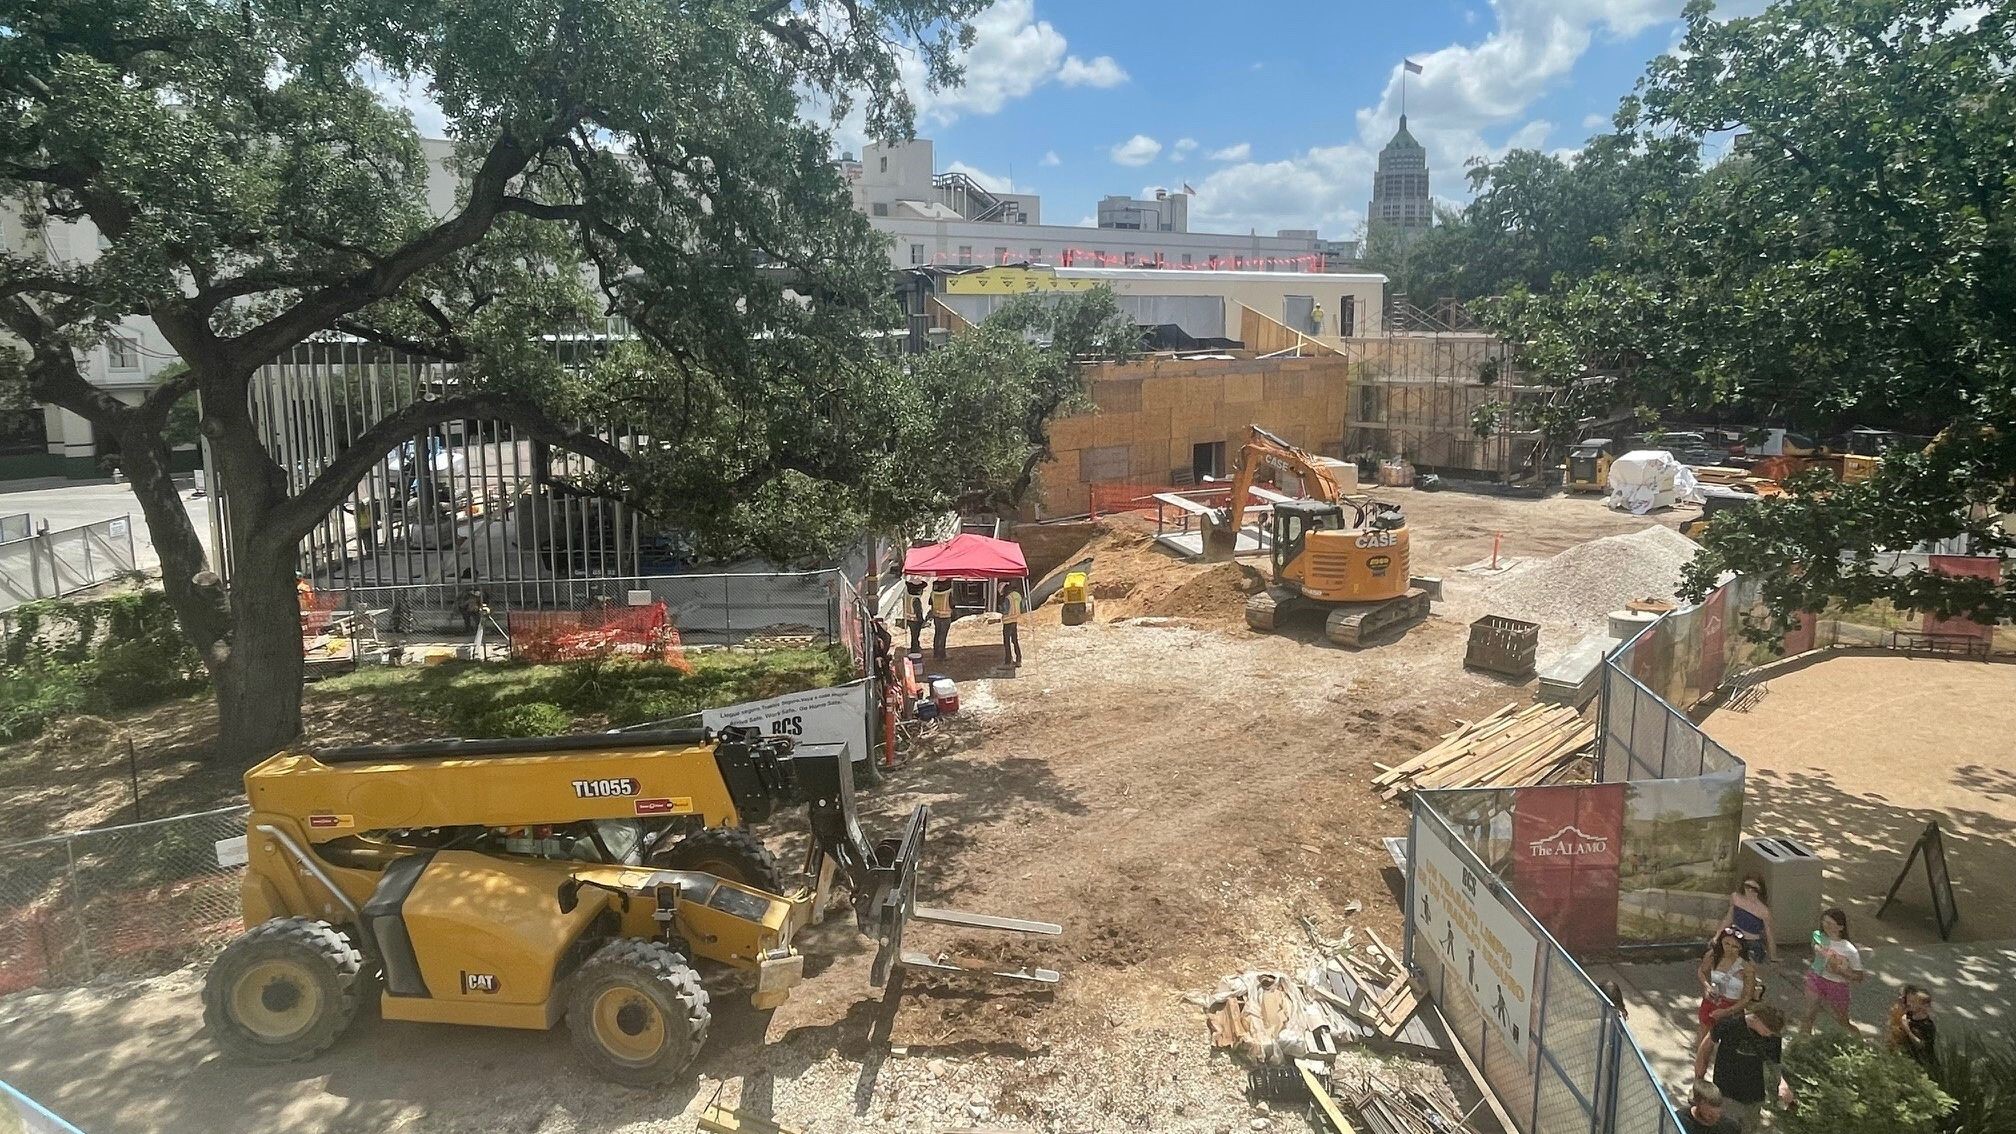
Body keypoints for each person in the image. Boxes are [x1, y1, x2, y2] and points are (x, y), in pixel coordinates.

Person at [1695, 1004, 1795, 1131]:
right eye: (1766, 1031)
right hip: (1727, 1091)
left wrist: (1782, 1083)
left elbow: (1774, 1063)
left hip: (1755, 1096)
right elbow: (1707, 1045)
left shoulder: (1773, 1037)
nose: (1768, 1035)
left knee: (1748, 1129)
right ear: (1756, 1019)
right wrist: (1699, 1076)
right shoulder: (1731, 1024)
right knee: (1725, 1128)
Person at [1800, 908, 1866, 1034]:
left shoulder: (1849, 950)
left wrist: (1841, 971)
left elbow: (1859, 976)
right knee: (1808, 1014)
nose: (1826, 926)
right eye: (1824, 922)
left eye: (1830, 924)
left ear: (1841, 927)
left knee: (1841, 1020)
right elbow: (1815, 945)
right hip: (1816, 978)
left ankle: (1856, 1039)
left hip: (1837, 985)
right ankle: (1802, 1043)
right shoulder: (1818, 936)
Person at [1697, 928, 1761, 1045]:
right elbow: (1701, 971)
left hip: (1733, 1008)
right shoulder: (1713, 956)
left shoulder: (1747, 967)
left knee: (1728, 1043)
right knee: (1703, 1040)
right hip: (1710, 1002)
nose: (1729, 949)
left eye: (1735, 946)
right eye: (1726, 943)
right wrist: (1707, 986)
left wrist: (1726, 1011)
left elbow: (1747, 997)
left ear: (1741, 948)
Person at [1721, 874, 1778, 964]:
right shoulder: (1736, 898)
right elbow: (1729, 918)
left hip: (1752, 943)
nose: (1750, 891)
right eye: (1748, 887)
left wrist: (1773, 956)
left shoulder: (1764, 911)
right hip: (1734, 938)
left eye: (1754, 889)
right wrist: (1717, 936)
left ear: (1760, 891)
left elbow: (1769, 934)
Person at [1887, 985, 1937, 1070]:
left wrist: (1907, 1029)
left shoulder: (1927, 1025)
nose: (1910, 1003)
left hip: (1920, 1062)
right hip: (1905, 1057)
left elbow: (1921, 1045)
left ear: (1924, 1007)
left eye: (1915, 1002)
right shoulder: (1909, 1015)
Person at [1000, 580, 1025, 667]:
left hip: (1007, 622)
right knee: (1015, 641)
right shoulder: (1017, 595)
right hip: (1015, 620)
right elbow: (1022, 607)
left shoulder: (1008, 598)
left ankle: (1008, 661)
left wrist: (1001, 610)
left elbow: (1005, 610)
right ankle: (1018, 660)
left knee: (1006, 642)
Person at [929, 579, 954, 660]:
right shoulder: (948, 593)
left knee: (937, 634)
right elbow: (952, 604)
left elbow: (930, 602)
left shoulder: (933, 593)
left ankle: (935, 654)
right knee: (943, 636)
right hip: (946, 616)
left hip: (936, 616)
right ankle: (942, 655)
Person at [901, 577, 927, 654]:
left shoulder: (907, 595)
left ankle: (915, 647)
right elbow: (918, 612)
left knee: (913, 635)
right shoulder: (916, 599)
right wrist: (922, 621)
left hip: (908, 618)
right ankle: (915, 650)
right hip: (915, 620)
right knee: (915, 636)